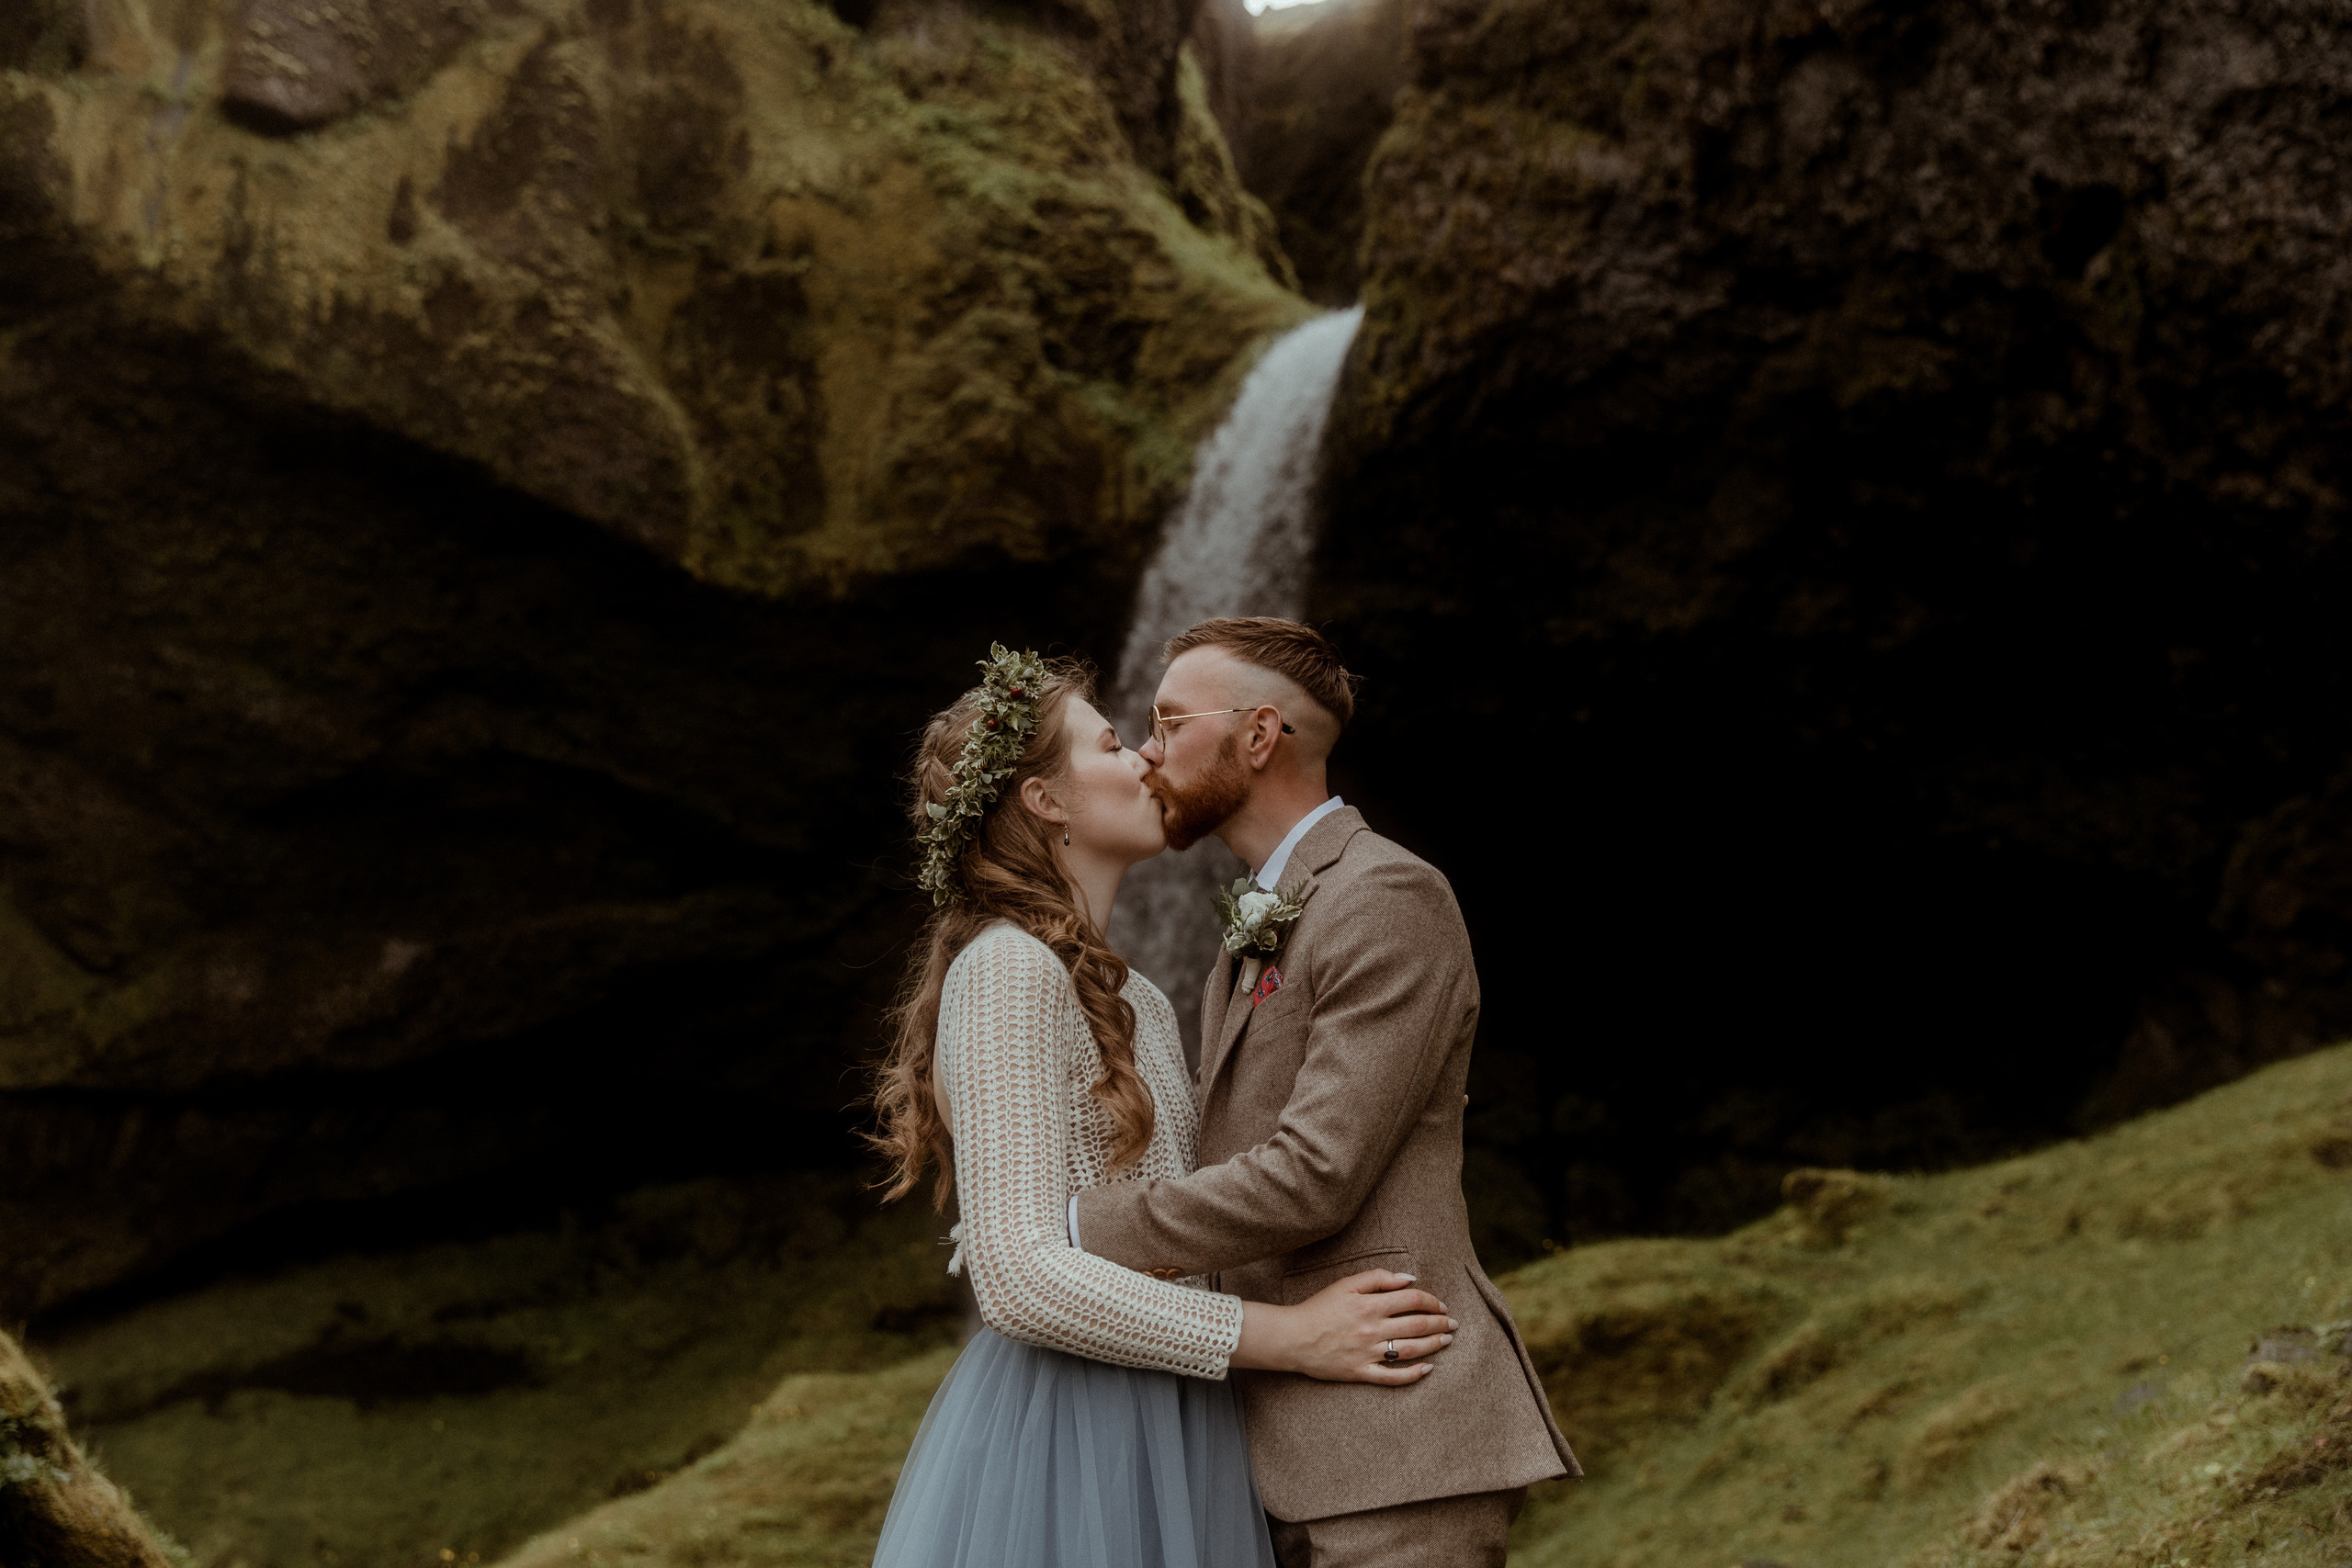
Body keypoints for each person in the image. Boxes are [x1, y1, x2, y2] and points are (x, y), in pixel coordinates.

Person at [866, 646, 1460, 1568]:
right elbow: (1018, 1280)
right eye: (1112, 744)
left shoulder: (1136, 996)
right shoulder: (1007, 968)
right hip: (1075, 1428)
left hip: (1180, 1408)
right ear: (1045, 799)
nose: (1146, 756)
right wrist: (1288, 1336)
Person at [1069, 616, 1579, 1568]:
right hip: (1276, 1445)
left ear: (1259, 735)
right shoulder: (1262, 916)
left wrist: (1071, 1230)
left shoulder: (1385, 895)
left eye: (1170, 721)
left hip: (1397, 1442)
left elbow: (1315, 1172)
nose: (1147, 750)